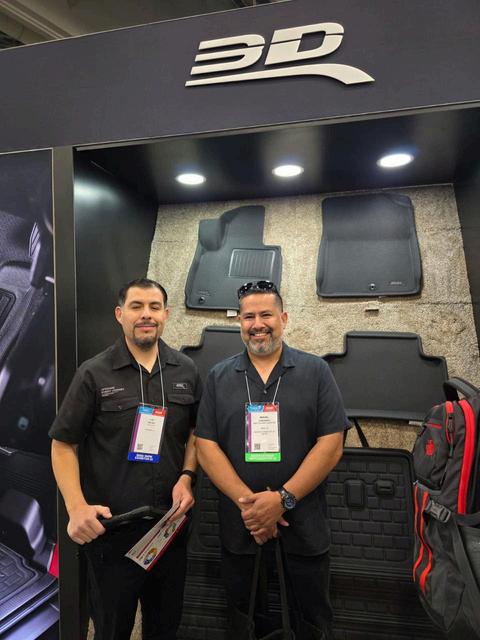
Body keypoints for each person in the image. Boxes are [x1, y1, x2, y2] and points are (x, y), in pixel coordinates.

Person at [195, 280, 349, 639]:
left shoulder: (316, 372)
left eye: (266, 314)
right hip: (242, 526)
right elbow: (205, 446)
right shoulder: (219, 377)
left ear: (284, 318)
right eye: (248, 316)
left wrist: (282, 500)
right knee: (243, 620)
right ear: (239, 322)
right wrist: (251, 508)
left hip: (303, 525)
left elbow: (331, 444)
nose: (257, 324)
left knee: (311, 620)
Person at [49, 278, 201, 640]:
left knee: (164, 629)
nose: (146, 314)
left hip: (169, 529)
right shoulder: (94, 373)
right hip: (112, 533)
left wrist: (187, 476)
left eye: (154, 307)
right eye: (136, 306)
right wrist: (76, 507)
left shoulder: (186, 370)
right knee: (111, 630)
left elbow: (196, 433)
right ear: (120, 314)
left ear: (166, 315)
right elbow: (63, 444)